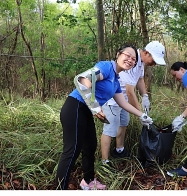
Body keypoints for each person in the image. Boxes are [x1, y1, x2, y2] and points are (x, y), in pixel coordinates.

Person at [56, 45, 153, 190]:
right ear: (118, 54)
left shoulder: (115, 80)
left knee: (90, 147)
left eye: (133, 59)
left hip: (86, 112)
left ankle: (87, 182)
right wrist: (95, 106)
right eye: (127, 55)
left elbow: (124, 104)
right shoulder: (106, 67)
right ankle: (59, 188)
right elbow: (83, 80)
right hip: (75, 107)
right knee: (72, 151)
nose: (130, 60)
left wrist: (142, 115)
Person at [100, 41, 167, 163]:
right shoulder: (132, 60)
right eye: (153, 61)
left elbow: (140, 79)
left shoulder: (140, 62)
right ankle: (104, 161)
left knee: (123, 124)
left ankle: (119, 151)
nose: (154, 64)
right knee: (110, 129)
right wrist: (141, 114)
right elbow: (130, 91)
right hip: (112, 100)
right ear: (146, 53)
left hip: (123, 101)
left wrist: (144, 95)